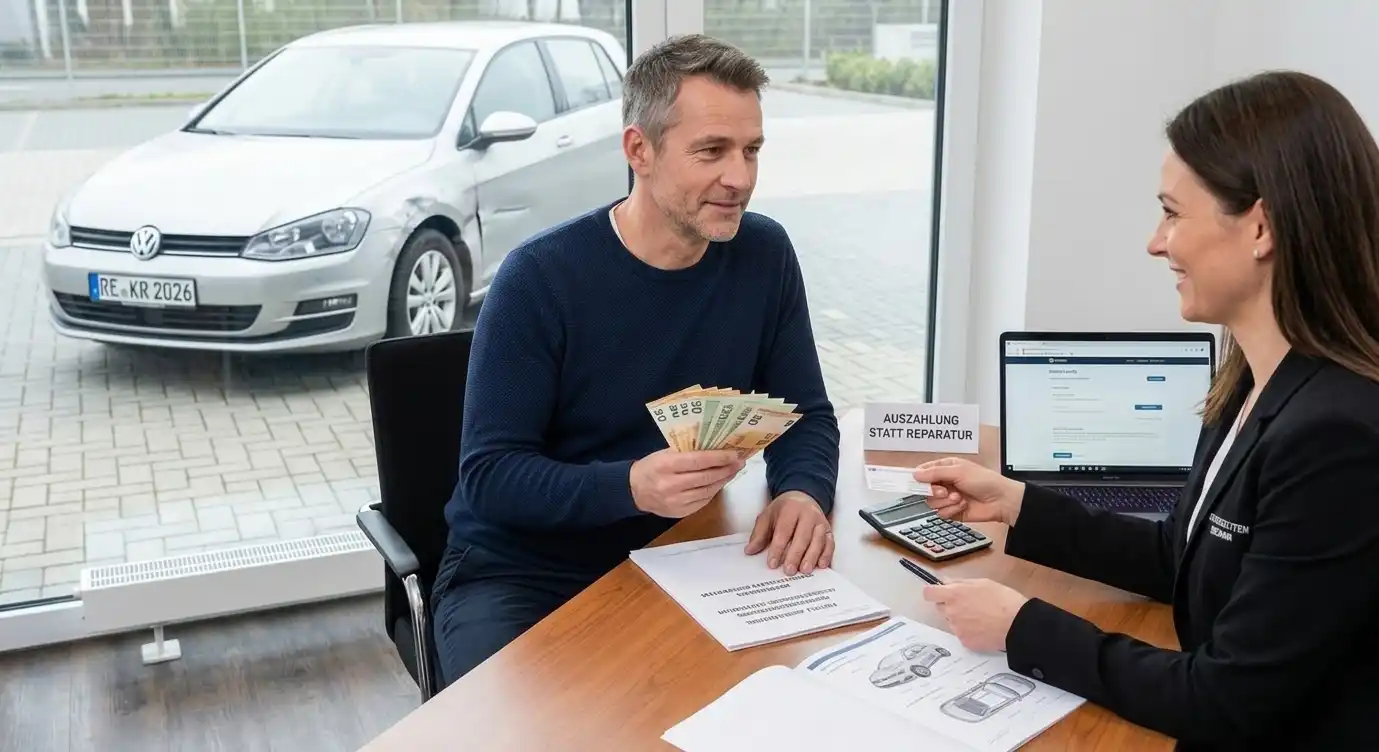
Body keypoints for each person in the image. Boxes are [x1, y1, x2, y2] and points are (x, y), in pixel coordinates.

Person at [911, 70, 1379, 750]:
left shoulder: (1339, 437)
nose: (1154, 243)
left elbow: (1225, 701)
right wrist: (1017, 502)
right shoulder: (1253, 372)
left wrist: (1021, 627)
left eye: (1171, 212)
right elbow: (1180, 556)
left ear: (1260, 227)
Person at [430, 34, 840, 688]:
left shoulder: (763, 255)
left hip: (681, 553)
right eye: (711, 151)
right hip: (520, 572)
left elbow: (807, 414)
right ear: (637, 151)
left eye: (751, 150)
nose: (739, 177)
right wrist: (630, 486)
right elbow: (490, 477)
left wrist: (802, 490)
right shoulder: (539, 278)